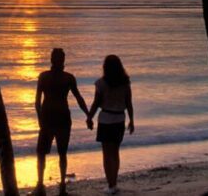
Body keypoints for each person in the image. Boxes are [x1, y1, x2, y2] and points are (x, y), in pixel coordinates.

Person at [35, 48, 89, 195]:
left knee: (41, 153)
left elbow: (37, 102)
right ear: (63, 61)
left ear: (51, 60)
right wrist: (88, 115)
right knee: (62, 154)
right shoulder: (68, 78)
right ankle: (62, 188)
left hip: (48, 118)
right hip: (62, 118)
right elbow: (79, 98)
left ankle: (40, 185)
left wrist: (40, 119)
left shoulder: (44, 76)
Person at [86, 55, 134, 195]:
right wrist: (132, 120)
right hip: (120, 119)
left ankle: (110, 185)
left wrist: (89, 117)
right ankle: (114, 184)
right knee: (115, 153)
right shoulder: (125, 83)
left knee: (107, 155)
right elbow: (129, 103)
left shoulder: (101, 83)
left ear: (105, 67)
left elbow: (96, 103)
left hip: (106, 119)